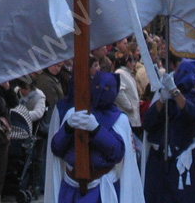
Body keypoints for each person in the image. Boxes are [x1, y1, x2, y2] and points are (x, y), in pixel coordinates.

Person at [44, 70, 144, 203]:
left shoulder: (119, 119)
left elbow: (117, 153)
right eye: (97, 86)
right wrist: (68, 127)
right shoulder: (74, 113)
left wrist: (97, 130)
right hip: (71, 189)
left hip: (101, 189)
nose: (101, 91)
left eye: (107, 88)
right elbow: (56, 148)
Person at [143, 59, 195, 203]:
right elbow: (148, 123)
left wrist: (175, 92)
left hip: (182, 159)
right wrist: (162, 99)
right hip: (159, 160)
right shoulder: (165, 96)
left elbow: (192, 112)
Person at [114, 54, 141, 131]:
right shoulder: (120, 72)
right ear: (128, 63)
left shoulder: (128, 74)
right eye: (132, 61)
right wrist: (129, 107)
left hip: (133, 114)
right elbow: (119, 92)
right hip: (127, 114)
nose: (134, 64)